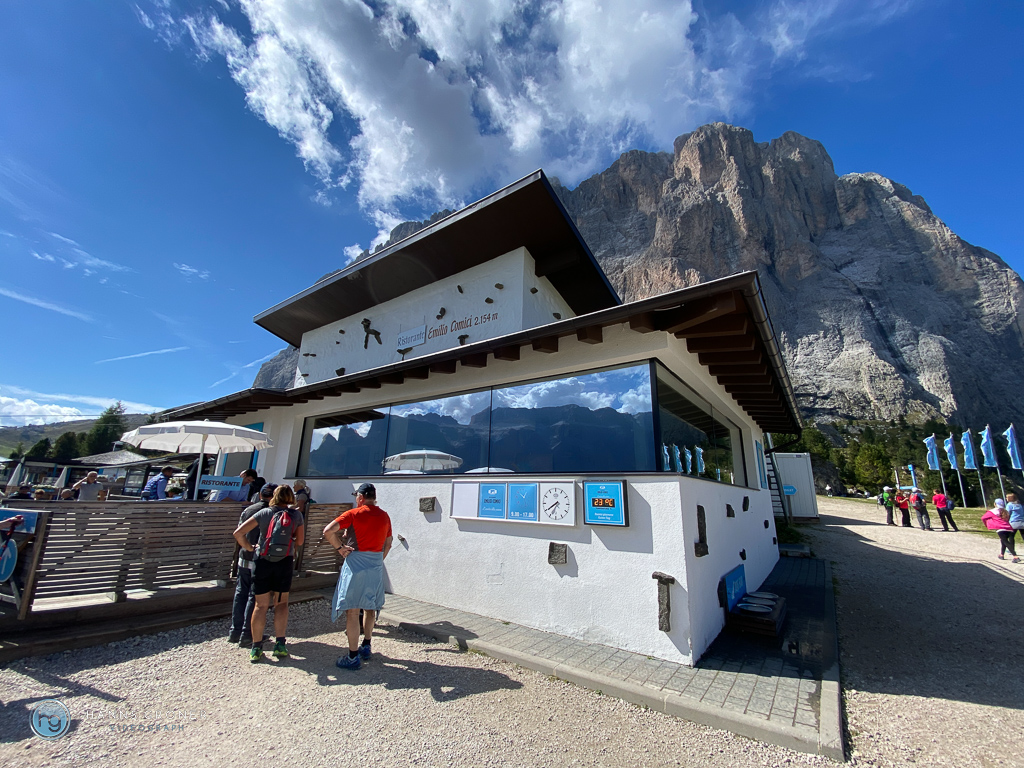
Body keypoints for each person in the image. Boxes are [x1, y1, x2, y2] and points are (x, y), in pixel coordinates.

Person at [325, 483, 393, 671]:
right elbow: (388, 543)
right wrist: (378, 560)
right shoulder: (384, 516)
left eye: (357, 496)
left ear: (361, 498)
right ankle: (366, 645)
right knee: (370, 607)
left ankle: (353, 656)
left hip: (355, 564)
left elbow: (328, 531)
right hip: (375, 564)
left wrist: (340, 548)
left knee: (353, 611)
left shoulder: (354, 514)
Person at [233, 484, 304, 662]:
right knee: (281, 604)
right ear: (290, 498)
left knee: (260, 606)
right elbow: (300, 541)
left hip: (263, 561)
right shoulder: (296, 515)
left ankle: (256, 647)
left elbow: (239, 533)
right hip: (285, 562)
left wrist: (250, 547)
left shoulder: (265, 513)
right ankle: (280, 644)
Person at [229, 483, 276, 646]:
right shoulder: (272, 513)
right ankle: (248, 633)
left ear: (261, 494)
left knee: (241, 592)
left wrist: (247, 547)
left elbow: (238, 532)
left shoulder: (248, 509)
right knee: (254, 596)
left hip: (244, 556)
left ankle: (235, 630)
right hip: (260, 558)